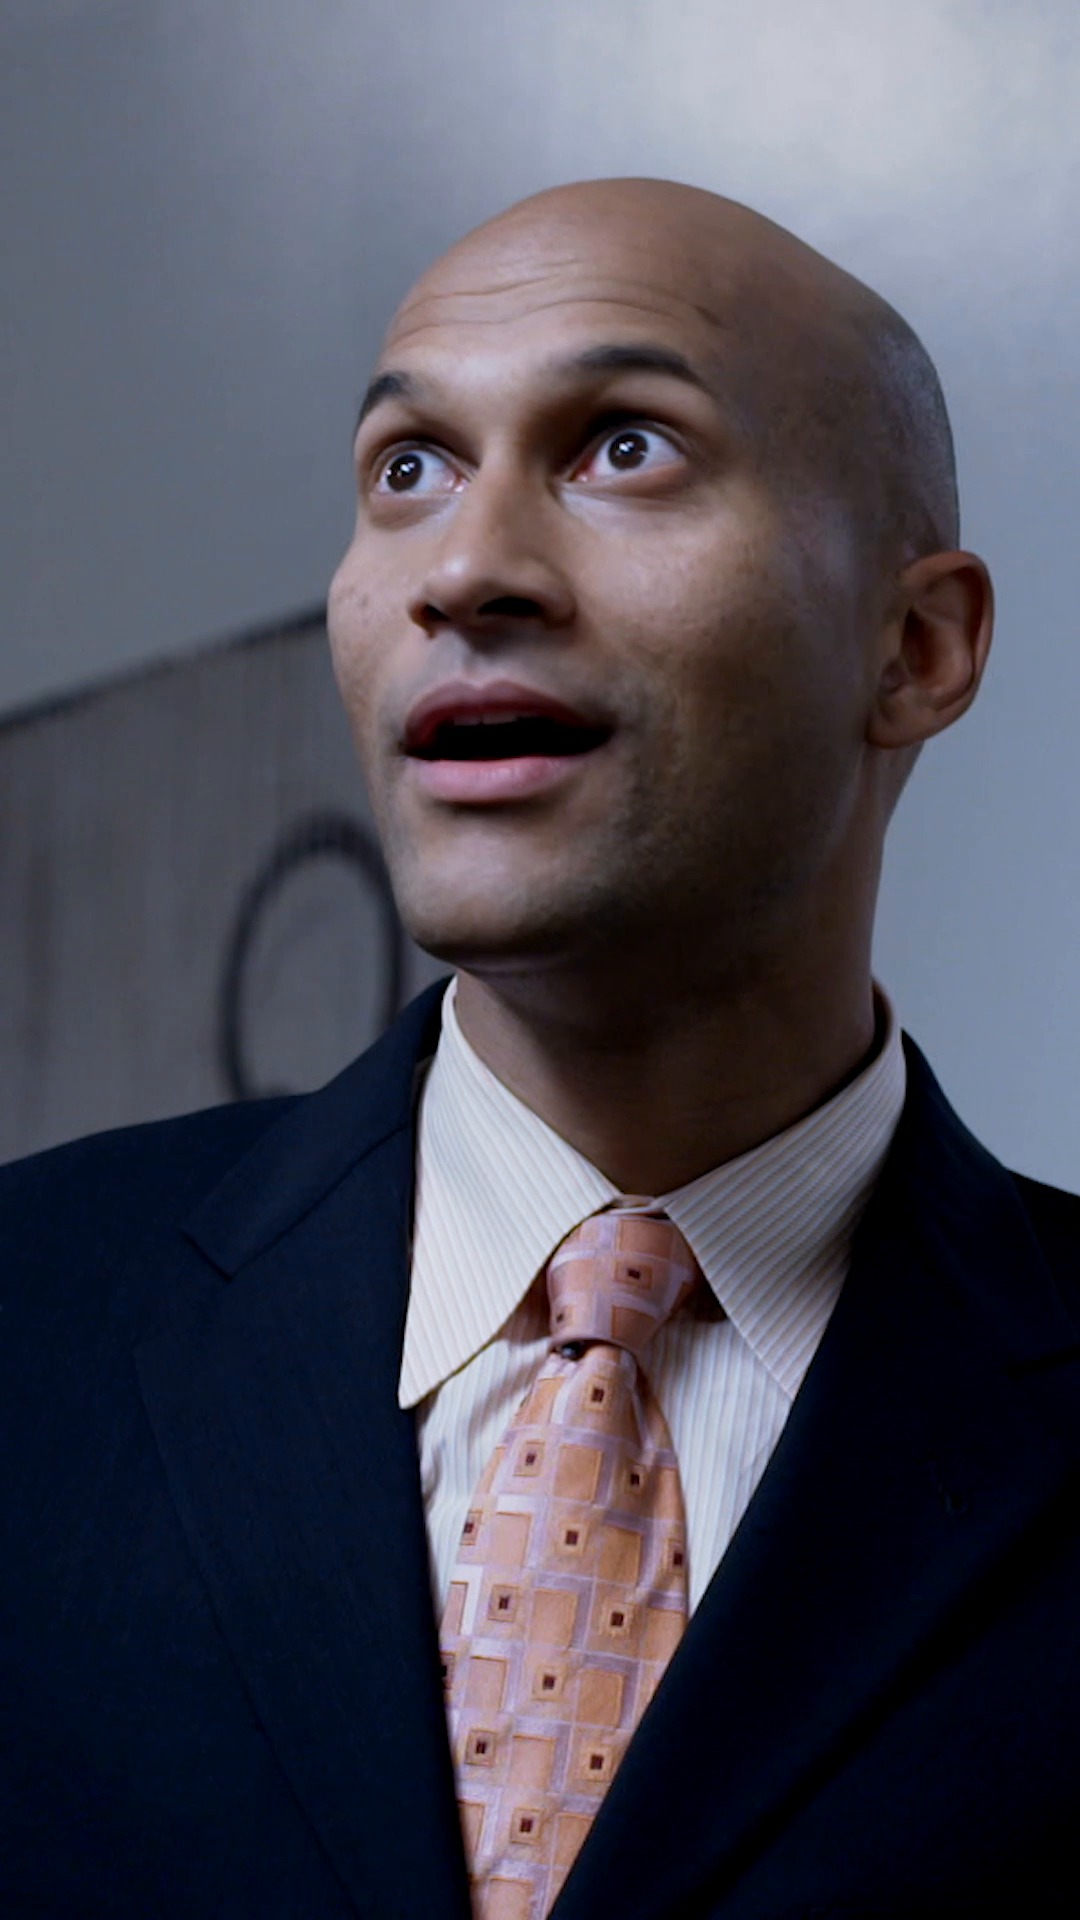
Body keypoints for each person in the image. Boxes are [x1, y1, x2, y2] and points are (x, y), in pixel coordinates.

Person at [2, 176, 1079, 1920]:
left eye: (623, 449)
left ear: (916, 645)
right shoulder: (25, 1319)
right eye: (409, 469)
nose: (465, 569)